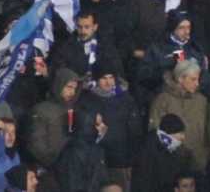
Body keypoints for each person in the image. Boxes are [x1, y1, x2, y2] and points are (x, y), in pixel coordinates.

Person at [76, 56, 143, 188]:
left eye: (111, 78)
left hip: (122, 162)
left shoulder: (126, 99)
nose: (108, 82)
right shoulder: (86, 101)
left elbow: (135, 131)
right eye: (103, 78)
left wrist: (132, 161)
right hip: (97, 163)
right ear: (96, 80)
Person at [148, 58, 209, 172]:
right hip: (170, 163)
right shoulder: (162, 100)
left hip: (198, 162)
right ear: (181, 79)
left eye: (198, 79)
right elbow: (154, 131)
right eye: (193, 79)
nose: (197, 83)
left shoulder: (202, 101)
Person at [26, 68, 82, 168]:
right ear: (59, 85)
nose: (72, 92)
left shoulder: (76, 109)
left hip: (74, 165)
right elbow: (36, 146)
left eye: (75, 88)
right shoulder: (41, 110)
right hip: (51, 168)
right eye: (69, 87)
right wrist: (53, 163)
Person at [131, 113, 193, 192]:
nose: (183, 137)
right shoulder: (147, 151)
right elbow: (144, 184)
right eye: (180, 133)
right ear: (169, 133)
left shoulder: (171, 148)